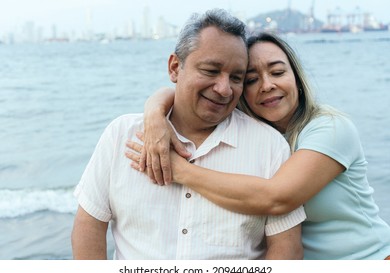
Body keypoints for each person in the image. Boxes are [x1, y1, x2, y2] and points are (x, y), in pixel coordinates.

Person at [126, 32, 390, 260]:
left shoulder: (330, 129)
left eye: (277, 72)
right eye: (251, 80)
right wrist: (154, 113)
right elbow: (186, 92)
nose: (267, 85)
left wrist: (178, 169)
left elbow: (276, 198)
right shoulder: (260, 140)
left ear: (296, 78)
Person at [71, 9, 306, 260]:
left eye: (237, 77)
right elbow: (90, 226)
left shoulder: (269, 146)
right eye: (210, 71)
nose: (224, 89)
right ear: (175, 67)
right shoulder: (122, 135)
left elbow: (286, 248)